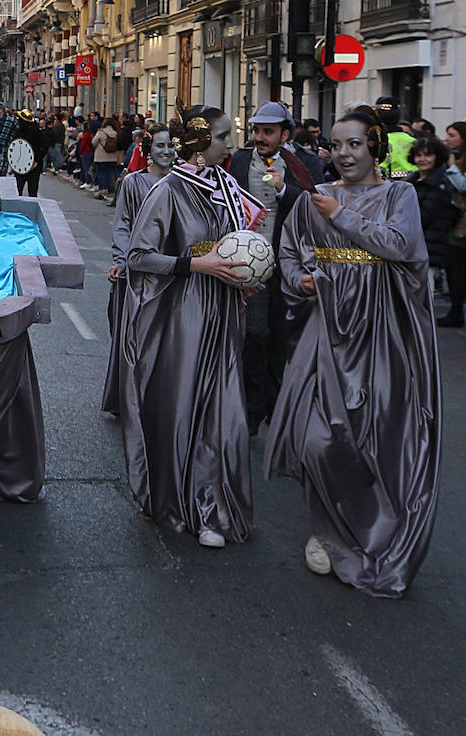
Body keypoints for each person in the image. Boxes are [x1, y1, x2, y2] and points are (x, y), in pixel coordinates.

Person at [267, 110, 441, 597]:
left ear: (374, 147)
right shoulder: (314, 199)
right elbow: (290, 248)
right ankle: (326, 528)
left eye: (355, 145)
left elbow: (401, 245)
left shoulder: (398, 195)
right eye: (337, 145)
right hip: (327, 327)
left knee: (374, 439)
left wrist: (340, 215)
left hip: (381, 331)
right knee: (317, 438)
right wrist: (298, 279)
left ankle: (372, 532)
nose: (344, 154)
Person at [121, 105, 261, 549]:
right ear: (200, 142)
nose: (231, 145)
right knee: (186, 406)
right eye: (223, 137)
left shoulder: (229, 186)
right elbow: (138, 257)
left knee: (226, 410)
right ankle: (186, 503)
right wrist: (195, 264)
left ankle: (217, 505)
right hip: (183, 313)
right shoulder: (168, 190)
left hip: (224, 310)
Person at [227, 100, 326, 433]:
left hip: (290, 264)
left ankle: (276, 404)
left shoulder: (306, 163)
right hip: (251, 264)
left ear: (286, 133)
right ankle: (253, 408)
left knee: (281, 338)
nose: (259, 137)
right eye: (256, 130)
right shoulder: (240, 160)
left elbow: (316, 208)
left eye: (268, 131)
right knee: (254, 334)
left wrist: (285, 189)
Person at [102, 124, 176, 415]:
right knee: (132, 338)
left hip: (170, 272)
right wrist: (121, 260)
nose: (167, 151)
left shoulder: (182, 182)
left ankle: (160, 397)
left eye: (171, 146)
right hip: (137, 272)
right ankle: (129, 399)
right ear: (147, 151)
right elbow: (123, 224)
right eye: (160, 146)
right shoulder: (133, 183)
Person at [435, 120, 466, 327]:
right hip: (447, 215)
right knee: (449, 263)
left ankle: (458, 310)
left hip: (464, 218)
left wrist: (452, 166)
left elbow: (465, 185)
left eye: (452, 135)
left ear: (464, 138)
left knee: (457, 264)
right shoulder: (450, 157)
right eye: (447, 134)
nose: (447, 139)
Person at [407, 136, 459, 300]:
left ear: (437, 157)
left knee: (422, 296)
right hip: (412, 245)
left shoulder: (440, 184)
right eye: (419, 155)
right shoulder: (412, 180)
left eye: (428, 155)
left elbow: (424, 217)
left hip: (428, 247)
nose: (422, 159)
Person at [375, 96, 417, 178]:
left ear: (377, 116)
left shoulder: (377, 141)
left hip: (388, 185)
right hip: (414, 184)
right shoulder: (413, 141)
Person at [10, 108, 47, 197]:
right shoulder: (18, 131)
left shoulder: (36, 132)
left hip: (33, 166)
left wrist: (36, 161)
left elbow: (44, 147)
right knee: (19, 190)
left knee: (32, 190)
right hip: (20, 165)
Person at [93, 116, 121, 200]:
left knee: (101, 172)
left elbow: (94, 142)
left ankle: (102, 189)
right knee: (108, 172)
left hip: (101, 156)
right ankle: (108, 188)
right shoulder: (115, 133)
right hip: (112, 156)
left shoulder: (101, 132)